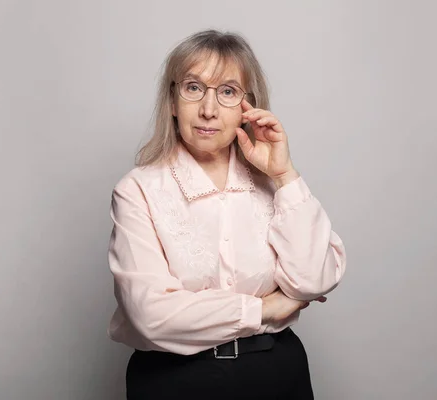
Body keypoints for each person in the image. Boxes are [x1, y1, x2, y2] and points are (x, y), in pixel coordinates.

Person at [106, 29, 347, 400]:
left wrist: (284, 176)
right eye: (193, 88)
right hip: (173, 382)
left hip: (276, 374)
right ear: (172, 100)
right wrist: (267, 308)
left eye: (228, 92)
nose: (208, 109)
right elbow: (152, 314)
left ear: (247, 107)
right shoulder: (138, 190)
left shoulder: (274, 182)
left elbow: (314, 280)